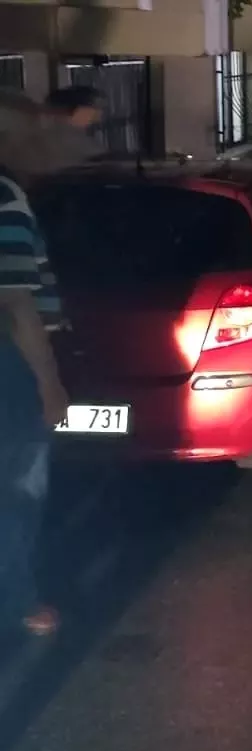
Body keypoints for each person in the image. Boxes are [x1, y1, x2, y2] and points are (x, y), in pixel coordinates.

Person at [0, 85, 104, 638]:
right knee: (18, 491)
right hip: (9, 368)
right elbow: (17, 302)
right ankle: (19, 599)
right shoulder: (6, 197)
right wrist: (48, 383)